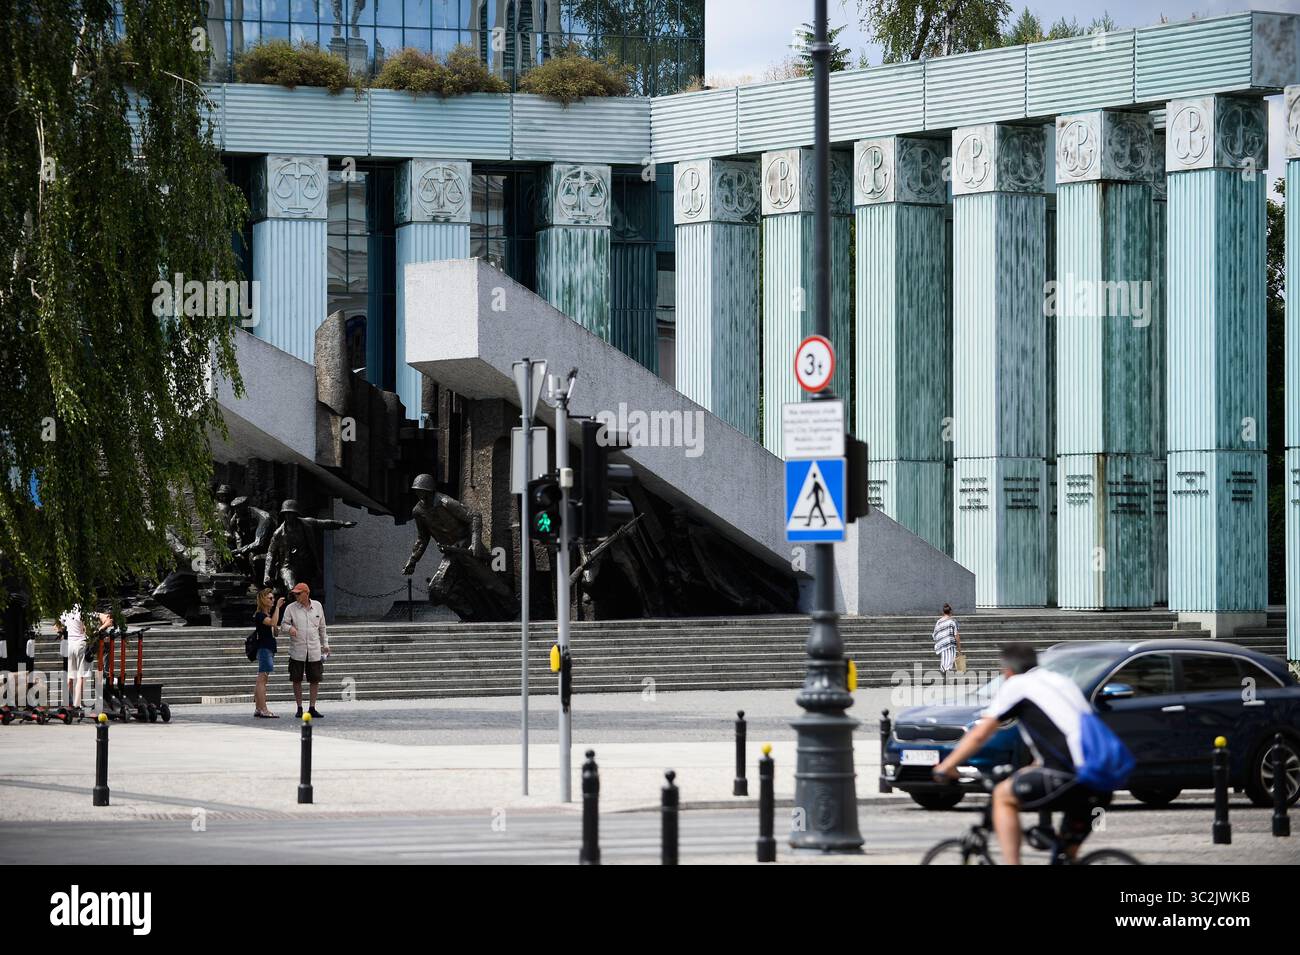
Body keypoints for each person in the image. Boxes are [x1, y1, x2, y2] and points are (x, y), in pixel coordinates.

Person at [932, 642, 1100, 865]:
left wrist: (947, 766)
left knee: (1003, 796)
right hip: (1100, 778)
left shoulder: (1018, 685)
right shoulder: (1061, 682)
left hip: (1070, 775)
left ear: (1007, 671)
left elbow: (979, 735)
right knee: (1065, 858)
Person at [280, 582, 329, 719]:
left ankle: (312, 707)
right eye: (294, 593)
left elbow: (322, 628)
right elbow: (283, 624)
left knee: (315, 679)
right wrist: (290, 629)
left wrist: (325, 644)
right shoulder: (291, 608)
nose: (296, 596)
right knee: (297, 678)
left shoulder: (317, 606)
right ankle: (299, 707)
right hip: (297, 649)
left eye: (298, 593)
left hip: (314, 649)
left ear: (306, 594)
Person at [59, 605, 112, 713]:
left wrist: (63, 632)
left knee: (70, 676)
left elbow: (57, 625)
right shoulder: (85, 612)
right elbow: (108, 620)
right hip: (81, 644)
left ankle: (66, 703)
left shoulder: (66, 612)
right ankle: (77, 705)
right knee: (80, 677)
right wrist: (99, 629)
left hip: (70, 645)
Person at [252, 588, 285, 719]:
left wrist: (275, 628)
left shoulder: (266, 615)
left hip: (268, 648)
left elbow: (274, 629)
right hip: (265, 648)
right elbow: (272, 623)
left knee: (261, 679)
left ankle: (258, 708)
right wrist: (278, 607)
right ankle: (263, 709)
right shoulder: (260, 615)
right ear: (263, 600)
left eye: (273, 598)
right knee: (262, 679)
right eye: (270, 598)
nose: (273, 600)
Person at [932, 603, 961, 673]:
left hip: (942, 644)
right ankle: (946, 672)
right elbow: (956, 635)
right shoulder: (953, 622)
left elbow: (935, 633)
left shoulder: (939, 622)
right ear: (950, 612)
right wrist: (959, 647)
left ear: (943, 612)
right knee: (950, 660)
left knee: (944, 659)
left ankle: (944, 671)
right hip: (950, 644)